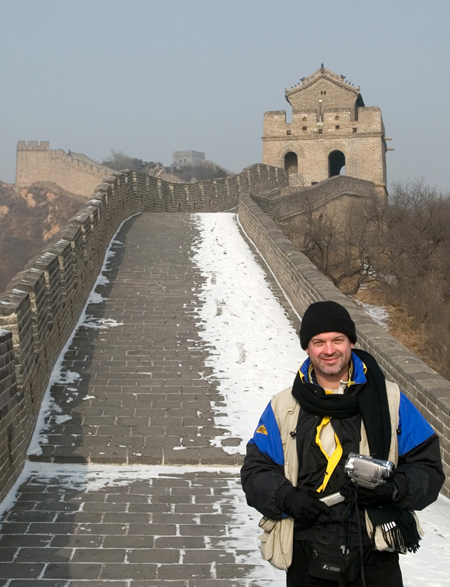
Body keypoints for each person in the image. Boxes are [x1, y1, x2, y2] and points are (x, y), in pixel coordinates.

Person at [241, 300, 444, 587]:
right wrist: (286, 498)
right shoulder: (283, 406)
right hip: (305, 551)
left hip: (373, 554)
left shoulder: (390, 401)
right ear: (307, 348)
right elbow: (255, 472)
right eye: (318, 341)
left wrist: (393, 488)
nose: (329, 350)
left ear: (351, 343)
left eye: (338, 339)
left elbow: (428, 468)